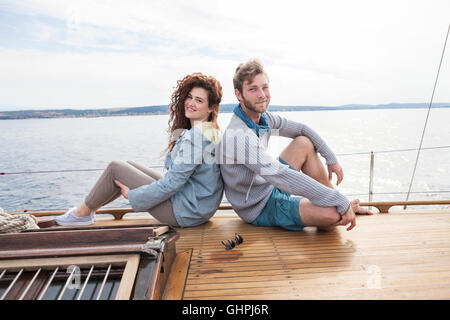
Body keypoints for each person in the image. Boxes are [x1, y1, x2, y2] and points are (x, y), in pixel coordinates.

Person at [220, 59, 373, 232]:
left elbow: (302, 129)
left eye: (265, 87)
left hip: (270, 185)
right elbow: (280, 175)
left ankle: (336, 202)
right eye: (253, 89)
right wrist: (339, 201)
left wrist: (331, 159)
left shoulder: (264, 118)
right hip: (259, 207)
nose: (262, 94)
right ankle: (336, 206)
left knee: (304, 142)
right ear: (239, 94)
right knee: (332, 215)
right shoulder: (239, 136)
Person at [56, 73, 224, 228]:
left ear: (211, 108)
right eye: (189, 97)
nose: (191, 103)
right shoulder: (209, 130)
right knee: (128, 166)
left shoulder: (197, 137)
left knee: (116, 168)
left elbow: (173, 183)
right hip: (197, 208)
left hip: (185, 213)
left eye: (199, 100)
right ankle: (88, 211)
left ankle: (81, 214)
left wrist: (134, 196)